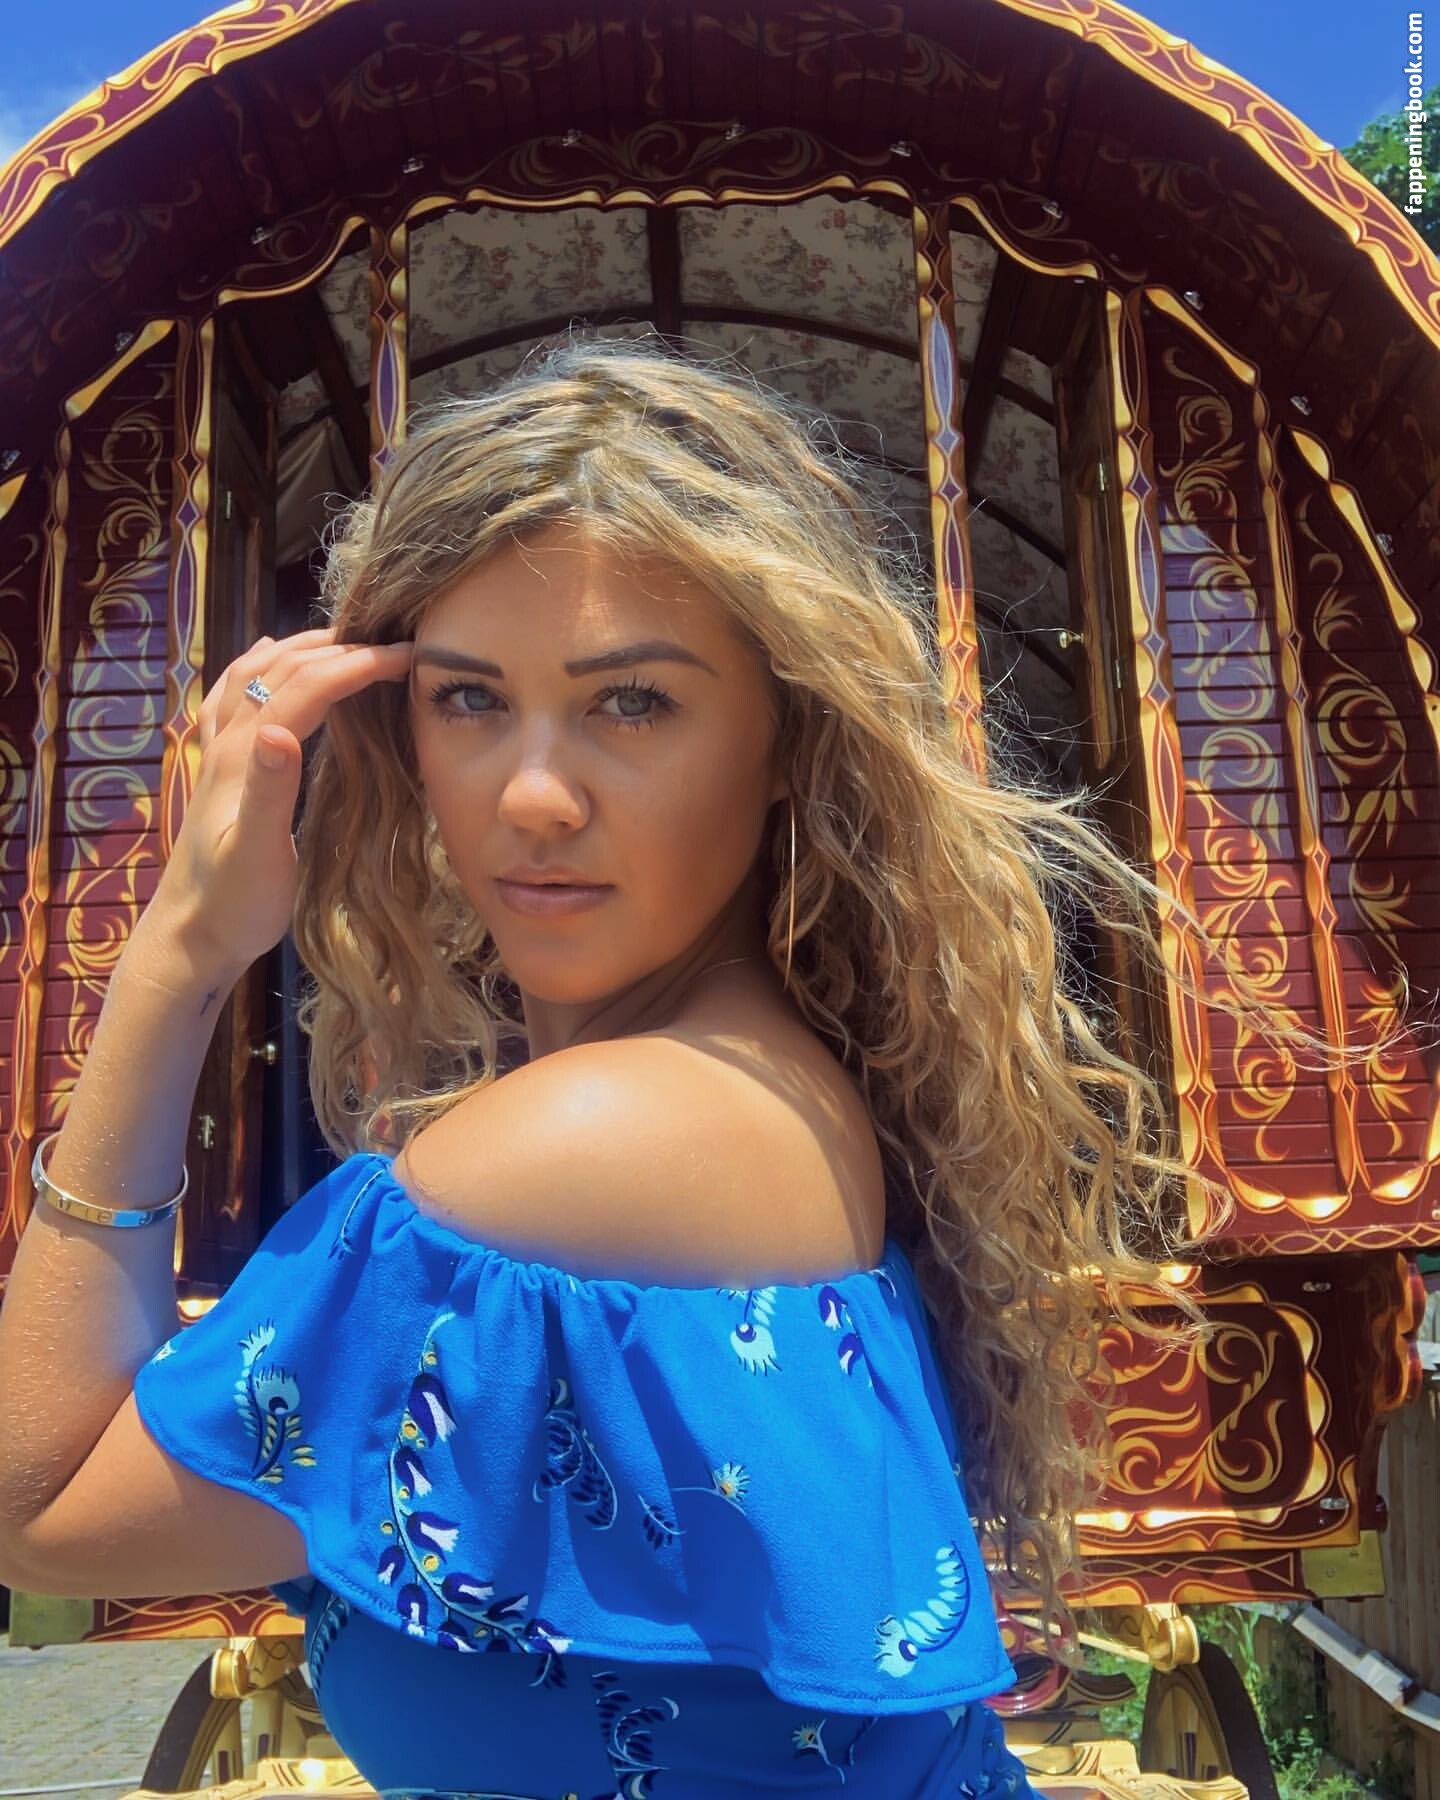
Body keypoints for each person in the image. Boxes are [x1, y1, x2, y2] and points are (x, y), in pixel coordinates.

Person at [0, 336, 1197, 1797]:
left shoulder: (587, 1143)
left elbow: (38, 1508)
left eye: (633, 703)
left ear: (785, 737)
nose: (534, 796)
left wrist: (176, 953)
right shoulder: (761, 1082)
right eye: (467, 698)